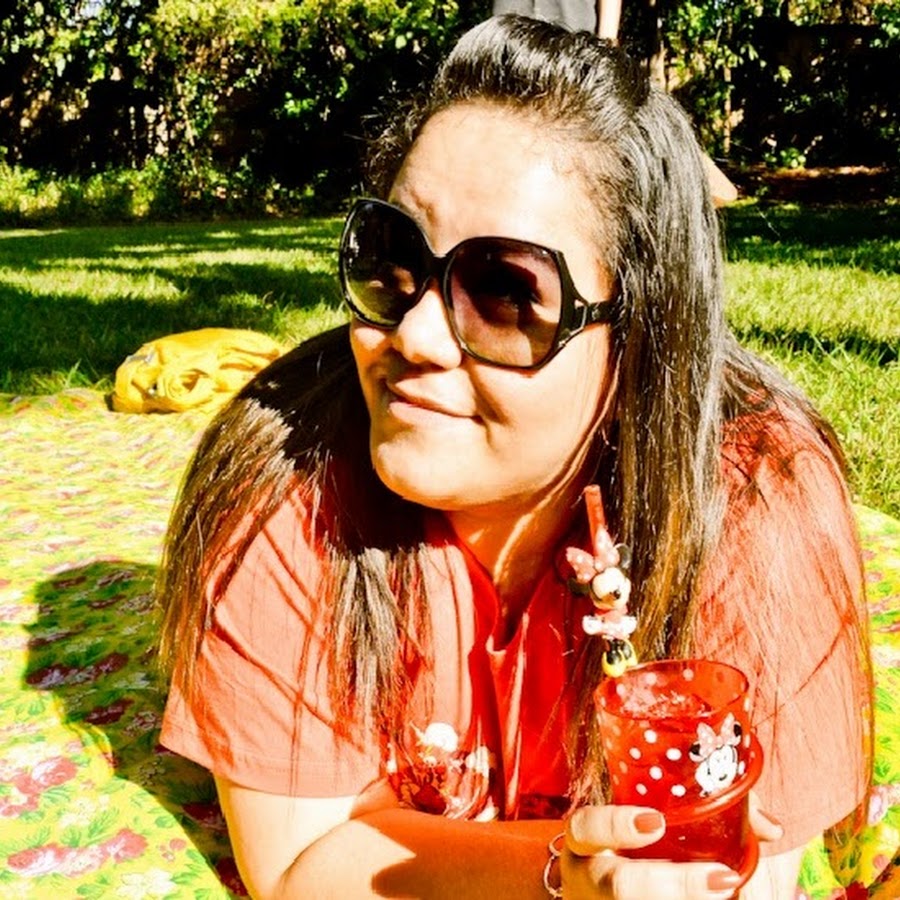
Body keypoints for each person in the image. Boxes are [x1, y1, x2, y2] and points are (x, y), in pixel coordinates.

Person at [157, 14, 871, 899]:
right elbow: (301, 863)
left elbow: (738, 875)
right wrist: (563, 876)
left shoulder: (754, 499)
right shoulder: (293, 476)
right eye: (394, 259)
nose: (413, 336)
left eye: (503, 291)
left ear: (642, 338)